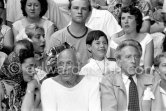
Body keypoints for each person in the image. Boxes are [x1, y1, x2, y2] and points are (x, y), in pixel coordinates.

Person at [101, 39, 154, 111]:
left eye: (136, 57)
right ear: (119, 61)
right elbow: (109, 108)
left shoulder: (151, 80)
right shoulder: (109, 82)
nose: (133, 61)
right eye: (128, 57)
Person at [108, 5, 154, 73]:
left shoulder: (147, 39)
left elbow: (147, 68)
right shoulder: (114, 43)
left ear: (137, 21)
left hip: (143, 77)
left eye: (129, 17)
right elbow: (115, 68)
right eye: (123, 18)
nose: (126, 21)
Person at [47, 0, 92, 66]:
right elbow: (51, 67)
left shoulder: (96, 37)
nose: (79, 12)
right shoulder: (56, 37)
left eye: (84, 9)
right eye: (76, 8)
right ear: (69, 11)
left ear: (89, 13)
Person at [0, 40, 35, 111]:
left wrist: (31, 89)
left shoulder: (31, 86)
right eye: (29, 67)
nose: (34, 71)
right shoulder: (1, 88)